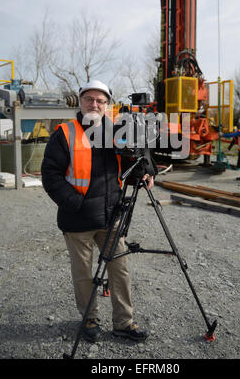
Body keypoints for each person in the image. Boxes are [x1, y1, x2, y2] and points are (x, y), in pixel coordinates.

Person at [41, 80, 155, 343]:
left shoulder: (116, 131)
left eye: (101, 101)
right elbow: (50, 175)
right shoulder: (65, 133)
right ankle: (89, 317)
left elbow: (133, 160)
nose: (95, 104)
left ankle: (123, 322)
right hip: (77, 217)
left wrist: (147, 172)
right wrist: (74, 203)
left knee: (120, 270)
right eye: (90, 99)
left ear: (108, 105)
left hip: (111, 215)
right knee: (83, 274)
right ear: (80, 102)